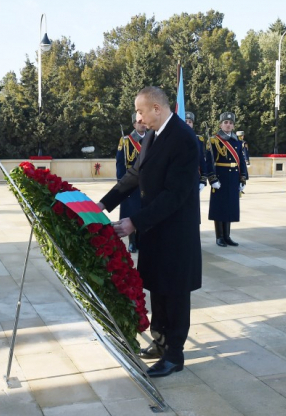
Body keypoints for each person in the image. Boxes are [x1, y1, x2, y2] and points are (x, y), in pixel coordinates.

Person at [98, 86, 202, 378]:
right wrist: (103, 205)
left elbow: (174, 195)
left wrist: (134, 222)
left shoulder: (183, 138)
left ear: (157, 108)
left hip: (176, 231)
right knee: (157, 285)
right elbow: (135, 174)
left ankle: (174, 355)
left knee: (175, 292)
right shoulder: (153, 135)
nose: (139, 118)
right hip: (156, 227)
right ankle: (159, 342)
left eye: (141, 111)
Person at [206, 112, 249, 247]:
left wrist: (243, 179)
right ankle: (219, 236)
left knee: (230, 207)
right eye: (226, 122)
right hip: (221, 177)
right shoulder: (214, 140)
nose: (228, 125)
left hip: (233, 178)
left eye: (230, 123)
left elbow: (241, 161)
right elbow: (209, 161)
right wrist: (212, 179)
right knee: (220, 207)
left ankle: (227, 236)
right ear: (220, 124)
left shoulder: (237, 141)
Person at [115, 113, 147, 253]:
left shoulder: (151, 139)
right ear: (134, 124)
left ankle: (141, 240)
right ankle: (132, 242)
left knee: (143, 211)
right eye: (139, 122)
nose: (142, 124)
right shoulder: (126, 141)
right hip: (131, 182)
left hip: (146, 182)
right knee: (131, 211)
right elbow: (120, 163)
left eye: (143, 121)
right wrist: (122, 182)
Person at [184, 112, 209, 217]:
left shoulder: (198, 140)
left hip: (194, 178)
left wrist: (203, 179)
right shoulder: (174, 138)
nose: (188, 123)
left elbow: (202, 160)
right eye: (186, 121)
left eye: (190, 122)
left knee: (193, 210)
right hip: (178, 179)